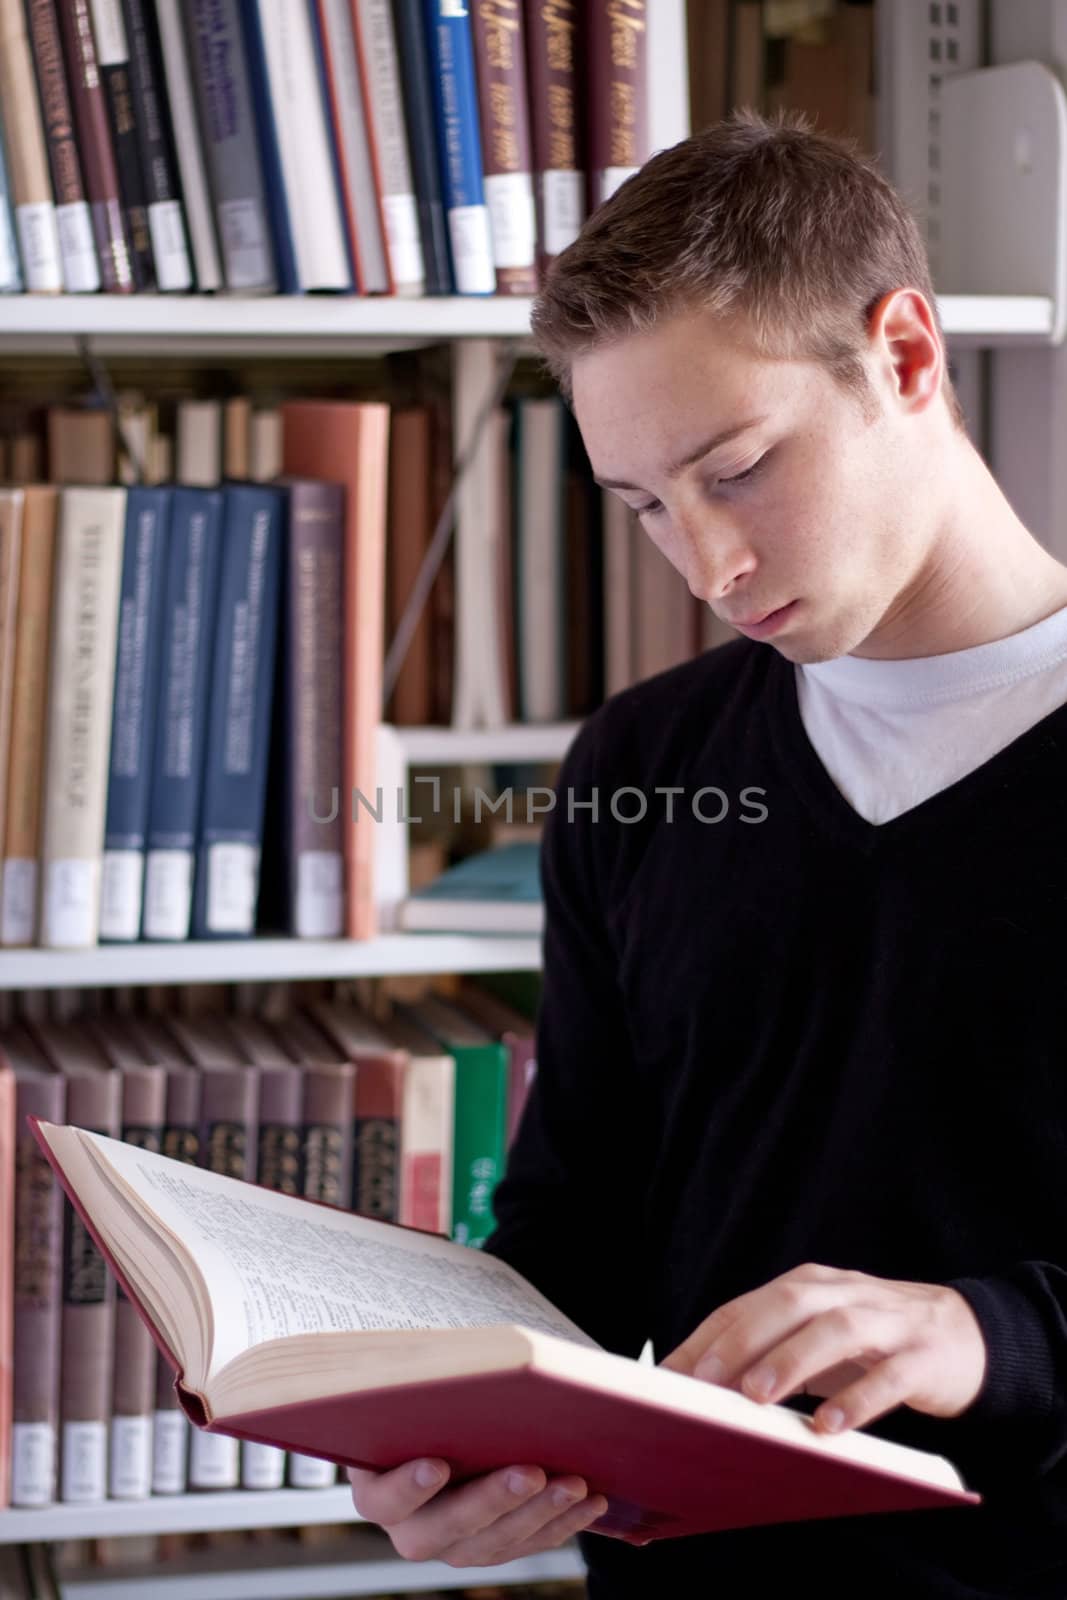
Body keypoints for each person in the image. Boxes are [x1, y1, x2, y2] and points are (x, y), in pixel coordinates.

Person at [349, 110, 1067, 1597]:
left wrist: (985, 1332)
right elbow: (577, 1225)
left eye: (736, 469)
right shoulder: (641, 767)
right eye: (643, 508)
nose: (707, 567)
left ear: (907, 356)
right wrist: (454, 1435)